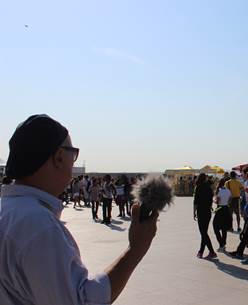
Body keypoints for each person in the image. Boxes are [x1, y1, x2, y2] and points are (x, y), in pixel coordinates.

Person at [0, 114, 158, 304]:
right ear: (59, 157)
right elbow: (82, 300)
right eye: (72, 153)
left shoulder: (8, 210)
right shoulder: (38, 226)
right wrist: (135, 250)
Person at [193, 173, 217, 259]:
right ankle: (201, 251)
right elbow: (211, 202)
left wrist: (194, 212)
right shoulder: (209, 188)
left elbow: (195, 201)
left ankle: (212, 252)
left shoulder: (198, 187)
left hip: (201, 212)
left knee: (203, 232)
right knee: (204, 232)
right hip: (208, 212)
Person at [213, 179, 232, 251]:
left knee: (215, 227)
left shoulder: (219, 191)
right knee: (224, 228)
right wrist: (227, 203)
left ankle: (221, 244)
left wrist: (214, 201)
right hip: (226, 208)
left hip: (220, 209)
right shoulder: (228, 190)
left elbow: (217, 202)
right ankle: (223, 243)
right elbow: (230, 198)